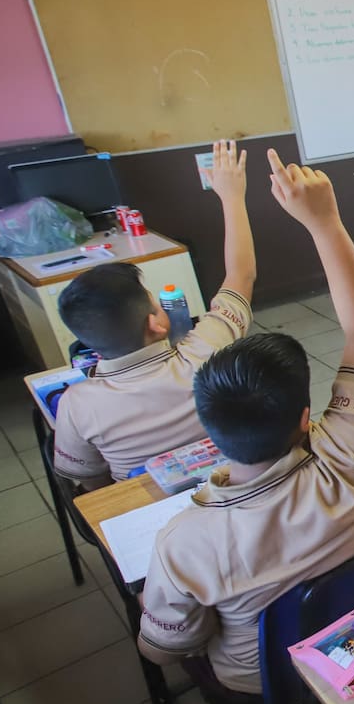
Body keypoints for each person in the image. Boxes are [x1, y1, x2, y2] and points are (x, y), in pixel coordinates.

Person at [136, 148, 354, 703]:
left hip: (264, 688)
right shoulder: (346, 461)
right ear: (306, 419)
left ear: (207, 427)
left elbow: (161, 649)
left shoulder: (184, 542)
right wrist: (325, 222)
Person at [52, 140, 255, 491]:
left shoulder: (77, 404)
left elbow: (90, 484)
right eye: (155, 302)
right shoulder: (204, 352)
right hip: (233, 493)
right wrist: (232, 197)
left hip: (149, 517)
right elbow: (241, 276)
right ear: (157, 323)